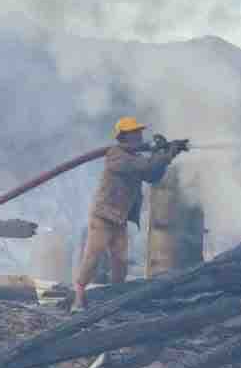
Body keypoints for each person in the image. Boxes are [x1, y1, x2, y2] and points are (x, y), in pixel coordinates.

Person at [72, 116, 185, 311]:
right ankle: (78, 299)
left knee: (121, 262)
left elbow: (152, 176)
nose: (140, 135)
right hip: (103, 216)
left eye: (139, 132)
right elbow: (146, 167)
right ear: (124, 136)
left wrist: (168, 153)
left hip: (120, 218)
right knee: (92, 257)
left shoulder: (135, 157)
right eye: (135, 132)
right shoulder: (116, 156)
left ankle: (114, 302)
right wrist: (166, 153)